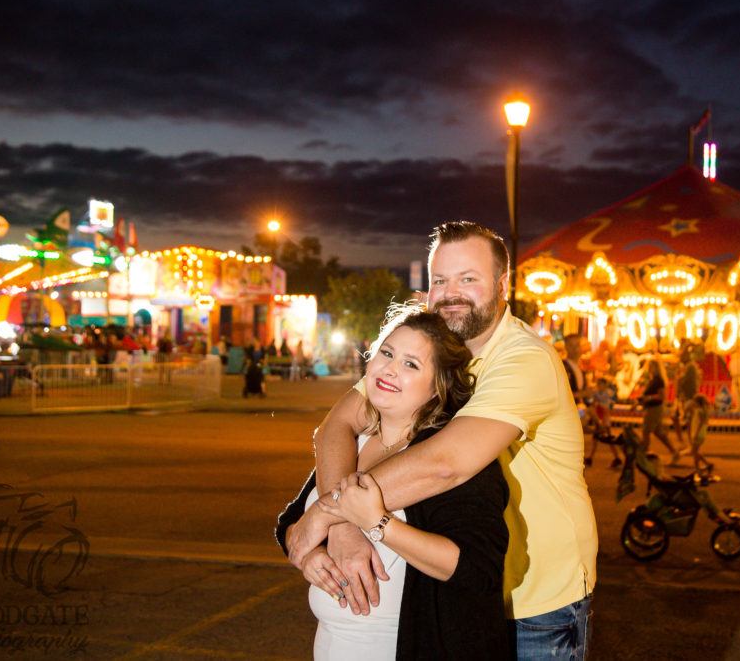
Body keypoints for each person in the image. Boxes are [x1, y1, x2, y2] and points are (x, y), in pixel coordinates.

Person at [286, 221, 597, 660]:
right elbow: (338, 424)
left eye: (468, 279)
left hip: (535, 599)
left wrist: (326, 512)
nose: (451, 293)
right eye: (440, 280)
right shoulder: (428, 352)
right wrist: (342, 526)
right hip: (456, 592)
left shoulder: (524, 358)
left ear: (503, 284)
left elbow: (446, 463)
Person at [276, 306, 509, 660]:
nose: (390, 369)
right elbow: (292, 528)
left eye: (410, 364)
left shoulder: (445, 460)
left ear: (437, 388)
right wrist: (311, 557)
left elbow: (479, 570)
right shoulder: (351, 445)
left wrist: (376, 523)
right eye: (387, 353)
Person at [638, 357, 680, 463]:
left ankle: (645, 453)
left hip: (654, 408)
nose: (649, 369)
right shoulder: (652, 380)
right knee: (658, 432)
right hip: (651, 407)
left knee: (646, 431)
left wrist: (649, 398)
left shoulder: (658, 381)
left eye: (651, 366)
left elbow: (662, 396)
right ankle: (674, 451)